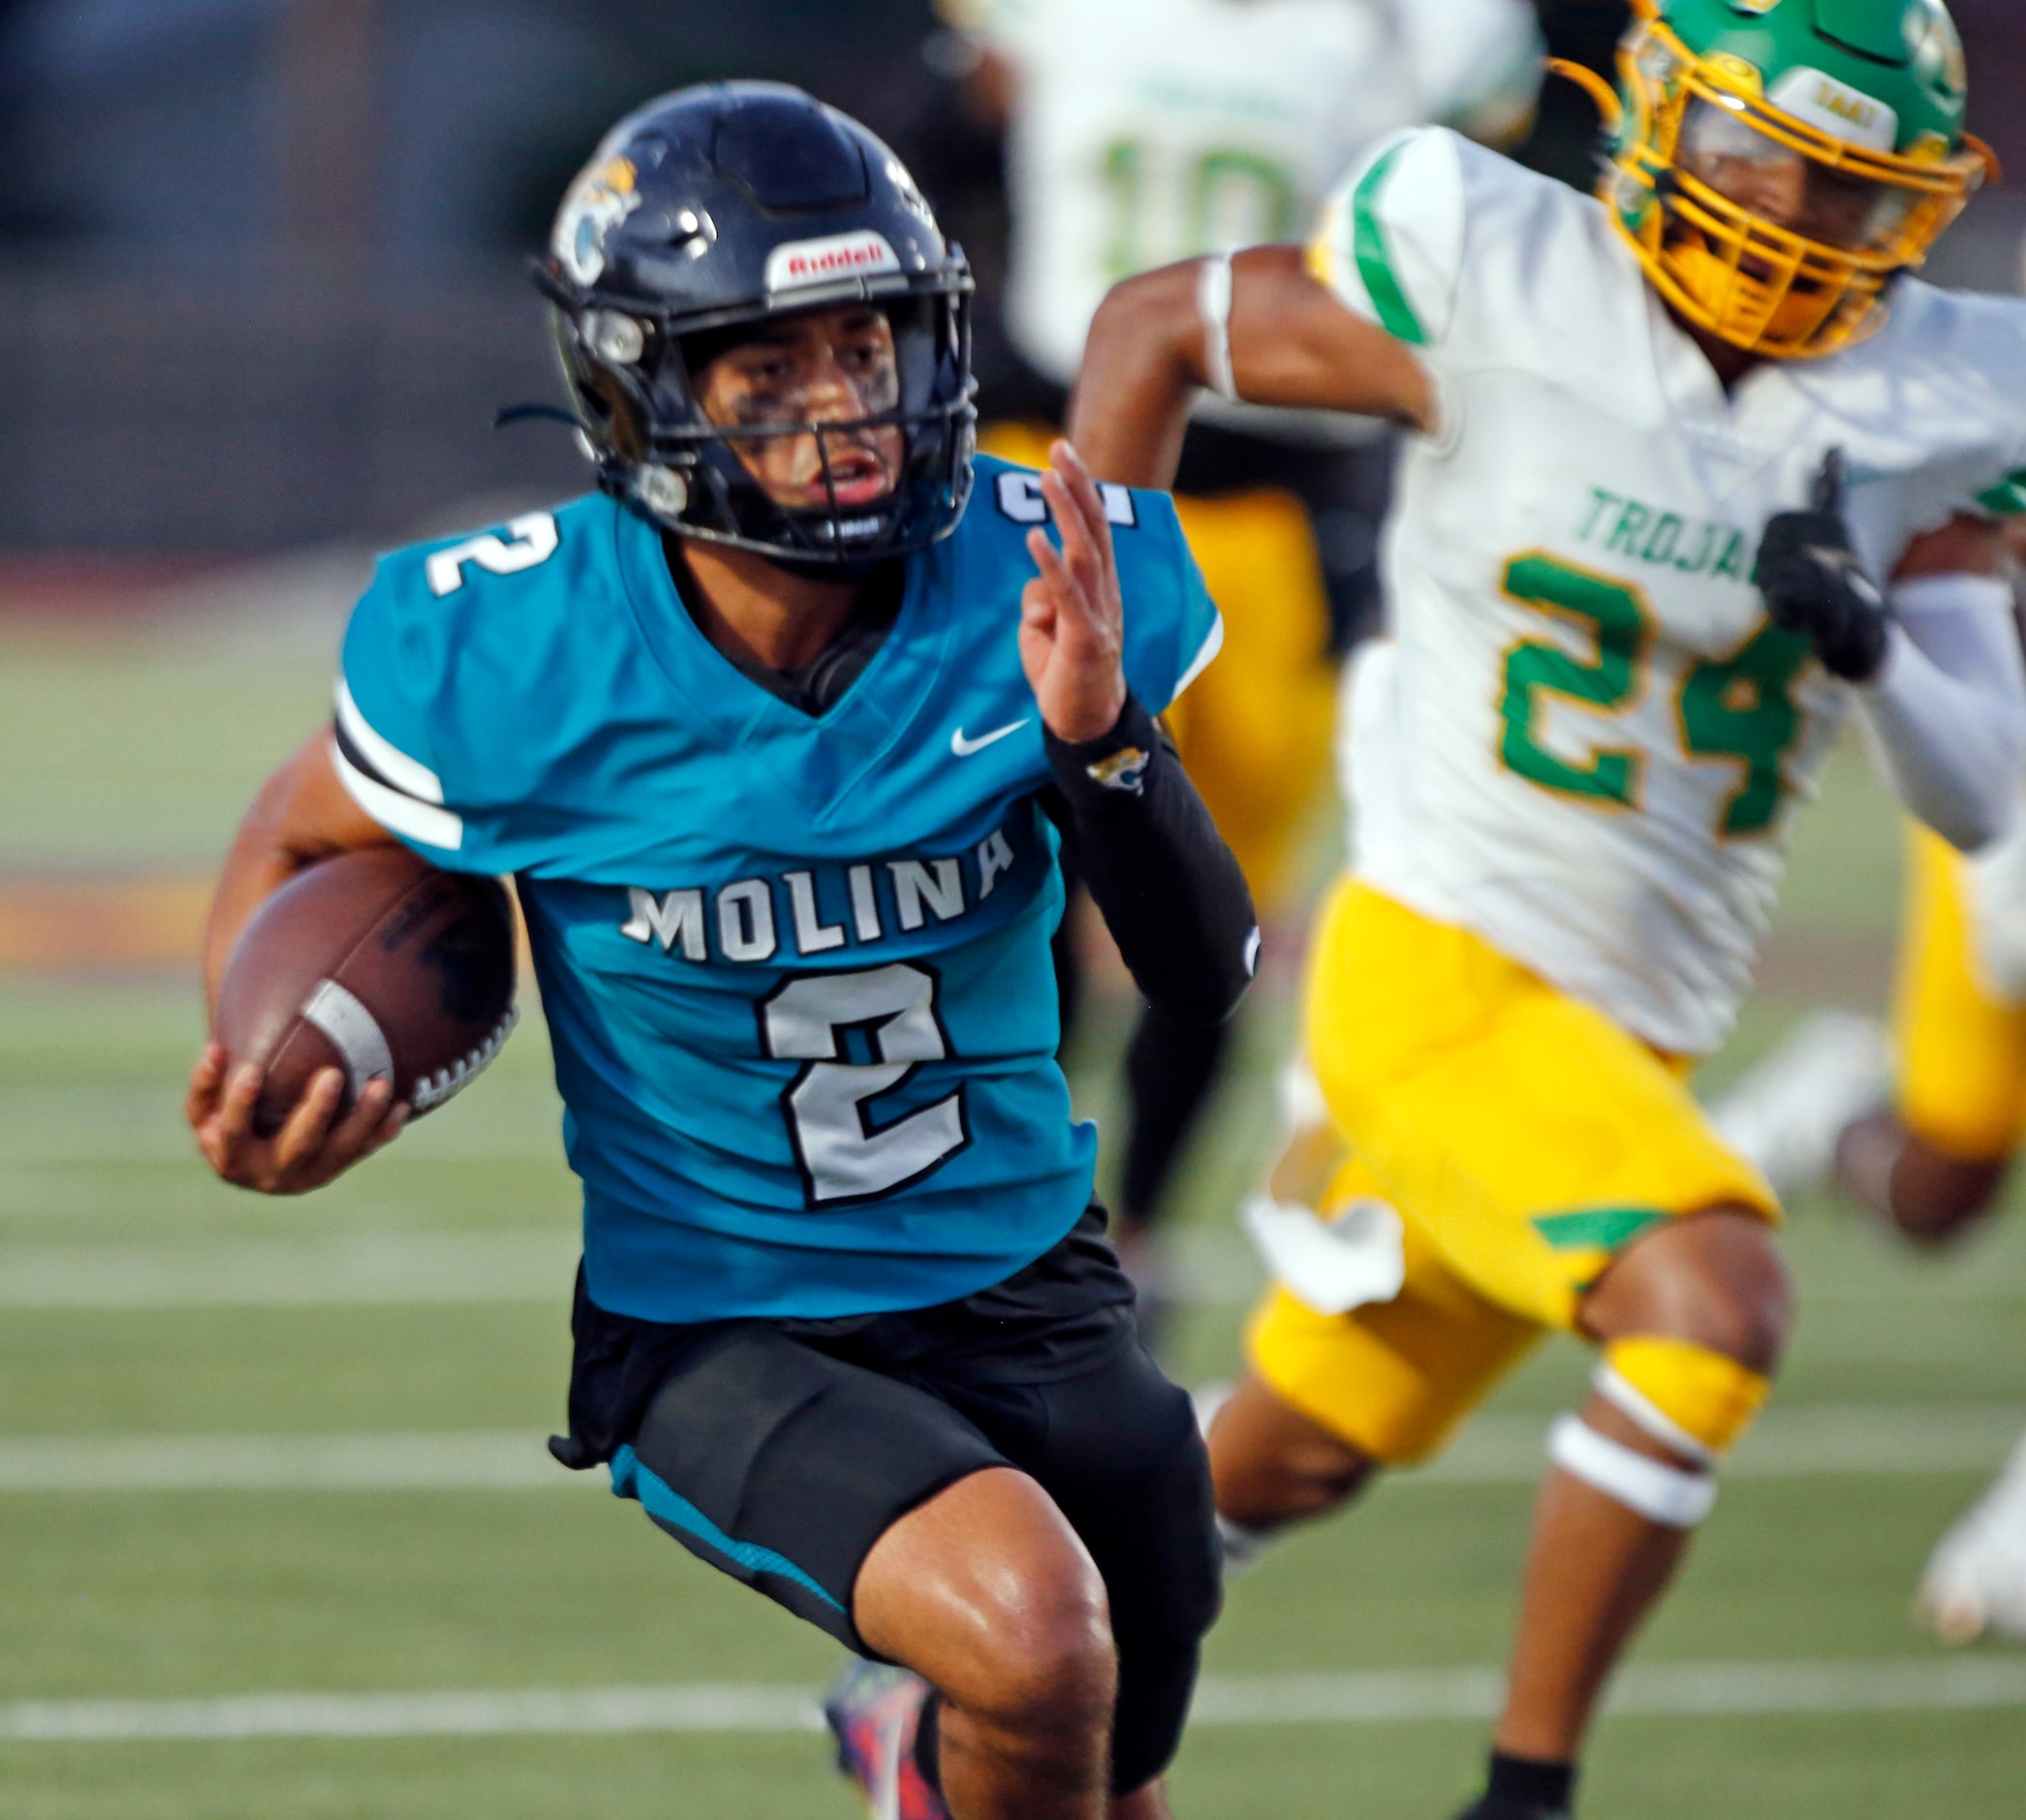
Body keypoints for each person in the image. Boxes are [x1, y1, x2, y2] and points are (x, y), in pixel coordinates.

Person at [183, 83, 1257, 1820]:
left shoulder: (1040, 573)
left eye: (871, 346)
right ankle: (934, 1728)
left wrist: (1108, 739)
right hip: (726, 1317)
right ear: (646, 387)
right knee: (1036, 1634)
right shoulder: (512, 648)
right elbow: (303, 831)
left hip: (1032, 1283)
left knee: (1103, 1761)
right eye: (775, 368)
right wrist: (270, 1049)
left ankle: (911, 1754)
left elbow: (1204, 973)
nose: (844, 409)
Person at [1068, 1, 2024, 1813]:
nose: (1796, 223)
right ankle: (1527, 1787)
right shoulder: (1500, 275)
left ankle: (958, 1687)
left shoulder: (1938, 399)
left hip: (1629, 1036)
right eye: (1766, 162)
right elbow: (1148, 327)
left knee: (1290, 1456)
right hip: (1438, 970)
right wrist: (1097, 685)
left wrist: (1874, 640)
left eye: (1853, 194)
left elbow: (1977, 786)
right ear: (1659, 113)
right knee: (1714, 1298)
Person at [938, 0, 1543, 1322]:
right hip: (1080, 470)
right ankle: (1036, 1211)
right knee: (1007, 864)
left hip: (1225, 502)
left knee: (1204, 903)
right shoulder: (1394, 35)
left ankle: (1130, 1229)